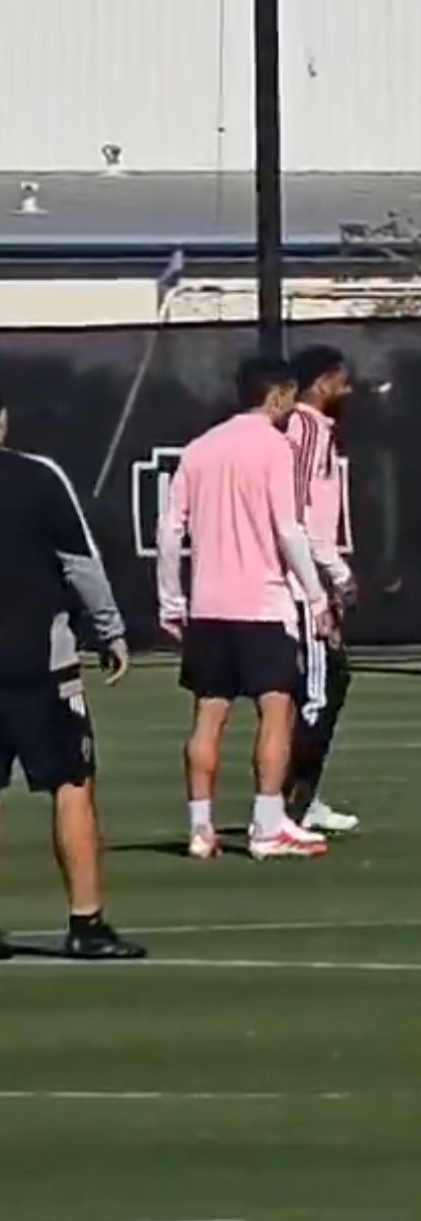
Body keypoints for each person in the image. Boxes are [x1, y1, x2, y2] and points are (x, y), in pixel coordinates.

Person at [157, 356, 338, 861]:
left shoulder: (199, 448)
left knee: (207, 717)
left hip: (208, 608)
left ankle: (200, 829)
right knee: (276, 712)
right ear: (277, 396)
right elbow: (289, 530)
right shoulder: (276, 448)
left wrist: (171, 600)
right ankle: (267, 825)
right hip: (262, 606)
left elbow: (169, 531)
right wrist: (317, 596)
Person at [0, 387, 146, 959]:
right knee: (72, 783)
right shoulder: (39, 477)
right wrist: (110, 630)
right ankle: (87, 922)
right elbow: (81, 563)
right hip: (39, 662)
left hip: (33, 660)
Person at [281, 345, 361, 835]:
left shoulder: (318, 432)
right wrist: (335, 572)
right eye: (341, 381)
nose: (346, 391)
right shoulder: (306, 430)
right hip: (301, 582)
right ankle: (290, 807)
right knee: (319, 690)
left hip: (309, 578)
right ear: (321, 383)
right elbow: (299, 515)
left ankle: (299, 798)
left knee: (325, 685)